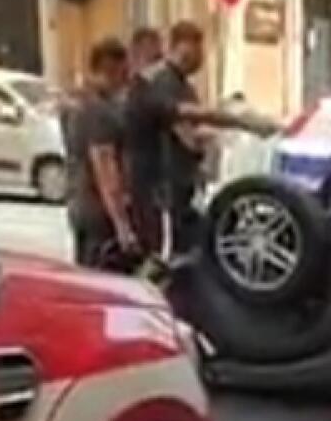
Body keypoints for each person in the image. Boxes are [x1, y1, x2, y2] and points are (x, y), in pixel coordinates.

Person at [124, 20, 277, 258]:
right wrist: (242, 122)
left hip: (179, 188)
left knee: (184, 250)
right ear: (182, 48)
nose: (201, 59)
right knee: (163, 255)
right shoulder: (160, 83)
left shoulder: (181, 85)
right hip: (160, 191)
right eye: (197, 50)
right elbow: (187, 123)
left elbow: (193, 128)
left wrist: (220, 137)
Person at [65, 37, 138, 268]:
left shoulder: (77, 104)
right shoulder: (100, 112)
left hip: (79, 202)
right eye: (124, 74)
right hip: (99, 211)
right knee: (103, 280)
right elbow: (105, 171)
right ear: (113, 70)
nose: (127, 82)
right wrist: (123, 227)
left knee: (86, 278)